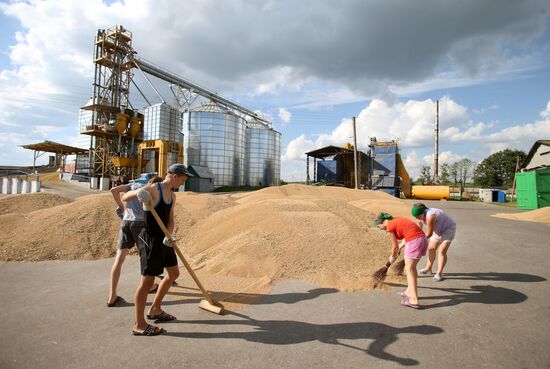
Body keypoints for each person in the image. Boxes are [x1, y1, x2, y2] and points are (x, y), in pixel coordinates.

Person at [122, 163, 192, 336]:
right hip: (150, 240)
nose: (183, 183)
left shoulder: (173, 196)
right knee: (146, 283)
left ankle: (155, 309)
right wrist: (139, 193)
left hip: (164, 240)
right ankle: (139, 324)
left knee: (174, 274)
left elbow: (170, 218)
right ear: (175, 176)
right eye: (183, 179)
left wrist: (169, 234)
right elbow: (126, 197)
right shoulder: (154, 188)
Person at [107, 176, 163, 307]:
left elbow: (114, 190)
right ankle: (149, 286)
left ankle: (112, 296)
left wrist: (121, 207)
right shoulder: (153, 191)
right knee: (146, 257)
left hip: (126, 222)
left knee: (119, 258)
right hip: (140, 224)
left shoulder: (134, 185)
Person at [373, 212, 428, 309]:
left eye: (378, 226)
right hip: (422, 239)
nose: (379, 228)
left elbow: (394, 247)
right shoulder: (396, 220)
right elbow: (408, 233)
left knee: (409, 270)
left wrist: (392, 257)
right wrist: (400, 247)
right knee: (412, 269)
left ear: (383, 222)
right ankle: (409, 291)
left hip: (414, 241)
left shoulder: (389, 227)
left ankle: (414, 300)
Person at [412, 203, 457, 282]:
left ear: (423, 213)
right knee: (431, 248)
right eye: (415, 217)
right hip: (437, 230)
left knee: (442, 251)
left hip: (448, 229)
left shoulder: (430, 216)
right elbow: (419, 229)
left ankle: (439, 273)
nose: (417, 218)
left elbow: (429, 234)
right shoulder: (419, 216)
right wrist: (416, 239)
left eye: (418, 216)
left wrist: (420, 242)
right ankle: (428, 268)